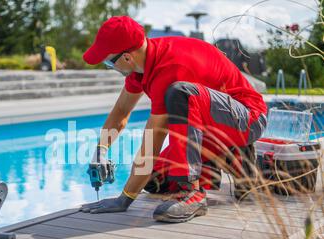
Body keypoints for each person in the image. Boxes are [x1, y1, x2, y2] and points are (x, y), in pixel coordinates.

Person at [80, 16, 267, 223]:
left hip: (248, 118)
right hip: (215, 125)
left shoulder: (170, 69)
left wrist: (124, 199)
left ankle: (192, 193)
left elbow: (151, 143)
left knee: (180, 93)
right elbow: (121, 111)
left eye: (108, 62)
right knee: (154, 181)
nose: (110, 67)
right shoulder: (142, 65)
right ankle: (229, 159)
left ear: (126, 58)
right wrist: (101, 150)